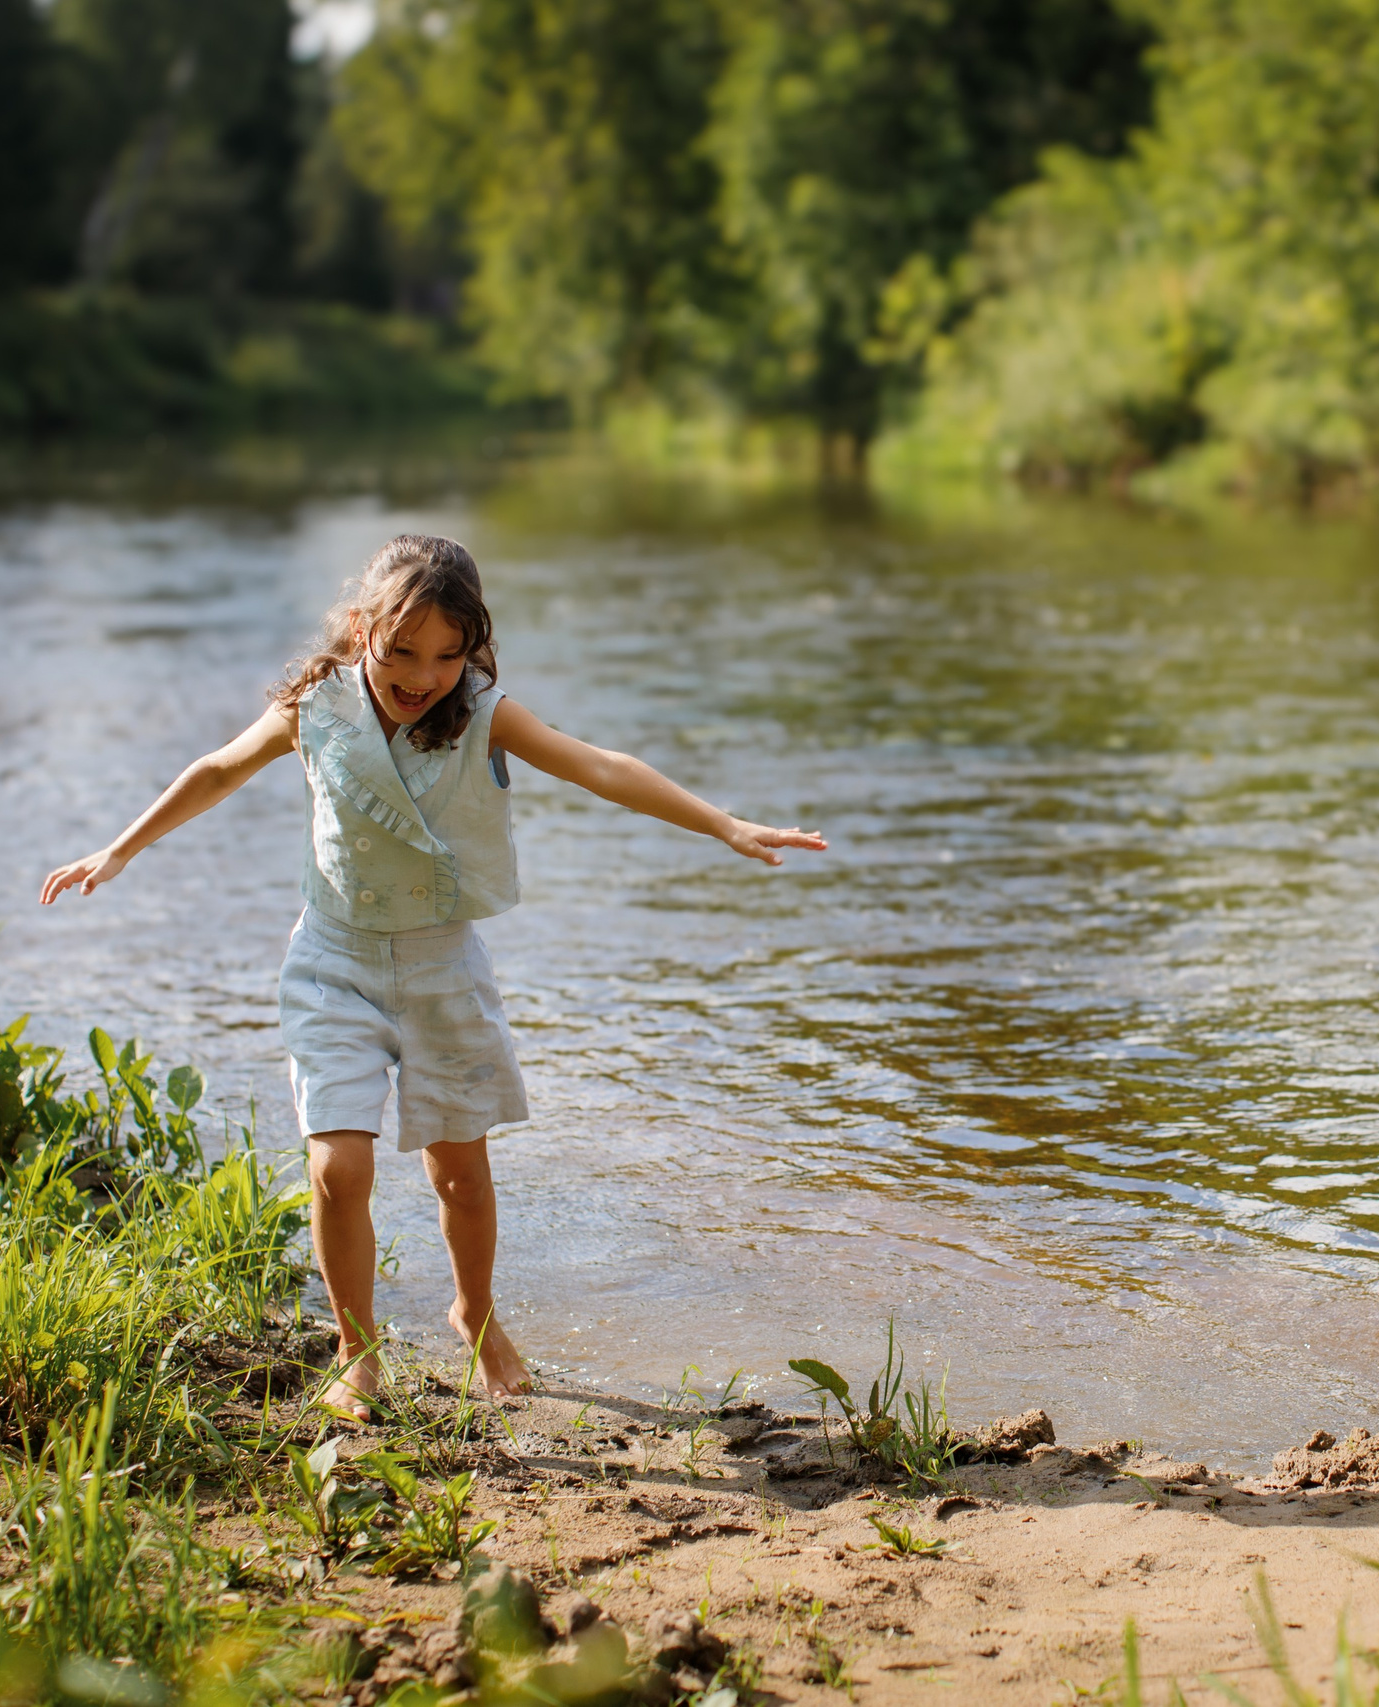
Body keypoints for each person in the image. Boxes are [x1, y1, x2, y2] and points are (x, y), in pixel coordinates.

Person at [41, 534, 824, 1419]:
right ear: (360, 628)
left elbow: (600, 766)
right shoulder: (314, 708)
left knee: (460, 1173)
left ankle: (474, 1311)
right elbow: (219, 768)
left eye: (448, 655)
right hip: (334, 958)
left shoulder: (483, 713)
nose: (423, 676)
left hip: (441, 963)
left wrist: (723, 824)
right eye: (403, 651)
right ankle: (356, 1348)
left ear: (473, 649)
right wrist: (119, 849)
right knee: (340, 1166)